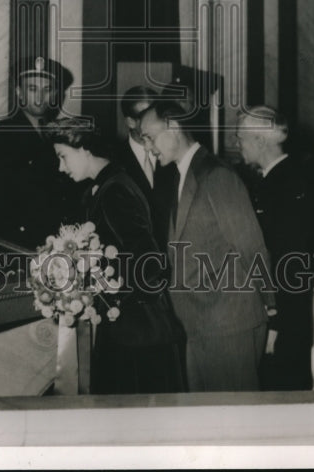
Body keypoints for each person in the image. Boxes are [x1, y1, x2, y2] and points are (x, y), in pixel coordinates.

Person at [138, 100, 275, 392]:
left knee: (234, 422)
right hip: (196, 324)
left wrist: (272, 309)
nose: (148, 147)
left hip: (229, 326)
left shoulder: (217, 176)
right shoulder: (178, 175)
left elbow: (251, 248)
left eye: (149, 137)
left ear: (173, 126)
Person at [49, 117, 186, 394]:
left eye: (63, 157)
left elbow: (150, 263)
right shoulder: (103, 187)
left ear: (84, 149)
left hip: (139, 335)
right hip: (128, 331)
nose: (60, 167)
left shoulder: (115, 190)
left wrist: (95, 285)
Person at [236, 106, 314, 391]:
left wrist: (275, 323)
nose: (237, 145)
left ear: (259, 141)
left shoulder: (286, 183)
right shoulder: (279, 179)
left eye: (241, 138)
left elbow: (288, 260)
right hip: (283, 315)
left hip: (284, 318)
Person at [0, 55, 84, 249]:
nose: (40, 97)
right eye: (32, 89)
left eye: (47, 89)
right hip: (16, 244)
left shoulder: (57, 134)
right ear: (19, 92)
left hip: (53, 241)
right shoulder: (2, 134)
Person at [118, 86, 177, 253]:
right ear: (130, 122)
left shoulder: (174, 156)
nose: (156, 120)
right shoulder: (114, 160)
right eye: (146, 115)